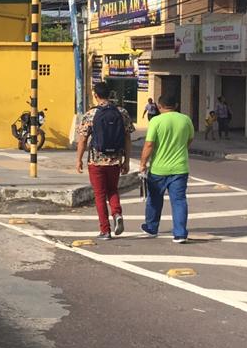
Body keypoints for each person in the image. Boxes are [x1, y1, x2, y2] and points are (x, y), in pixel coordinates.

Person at [75, 81, 134, 241]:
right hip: (115, 160)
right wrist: (126, 161)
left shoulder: (91, 114)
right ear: (110, 94)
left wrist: (79, 159)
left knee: (100, 194)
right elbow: (127, 138)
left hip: (96, 161)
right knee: (112, 190)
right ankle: (117, 213)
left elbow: (82, 140)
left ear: (96, 95)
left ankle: (105, 230)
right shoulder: (122, 112)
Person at [139, 89, 195, 244]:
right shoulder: (186, 120)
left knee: (154, 199)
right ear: (176, 105)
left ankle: (151, 227)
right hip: (180, 167)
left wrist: (143, 163)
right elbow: (190, 139)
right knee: (179, 201)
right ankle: (180, 233)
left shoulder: (156, 121)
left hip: (158, 168)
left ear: (159, 106)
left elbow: (149, 145)